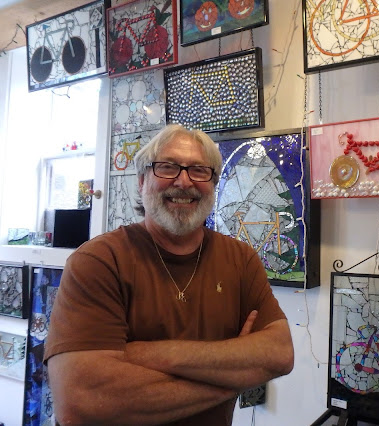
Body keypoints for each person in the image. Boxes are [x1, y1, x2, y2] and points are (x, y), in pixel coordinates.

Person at [45, 124, 294, 425]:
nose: (184, 181)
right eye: (167, 167)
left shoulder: (241, 259)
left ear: (213, 183)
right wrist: (235, 374)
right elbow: (81, 402)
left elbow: (279, 353)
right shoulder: (99, 261)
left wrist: (149, 354)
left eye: (199, 170)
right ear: (142, 180)